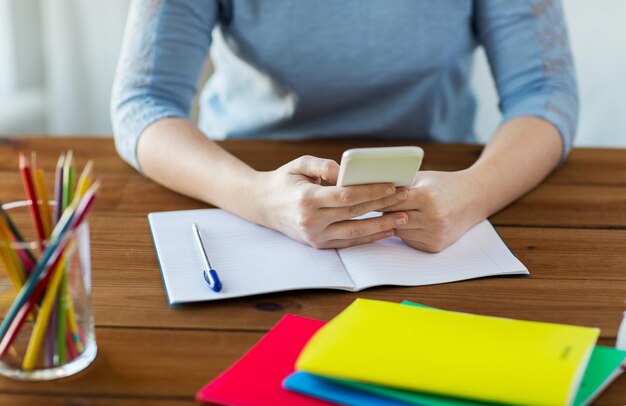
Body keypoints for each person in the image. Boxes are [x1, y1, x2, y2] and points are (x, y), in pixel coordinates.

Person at [111, 0, 578, 252]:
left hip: (440, 189)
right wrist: (257, 197)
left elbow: (545, 92)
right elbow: (144, 102)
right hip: (245, 182)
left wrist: (473, 192)